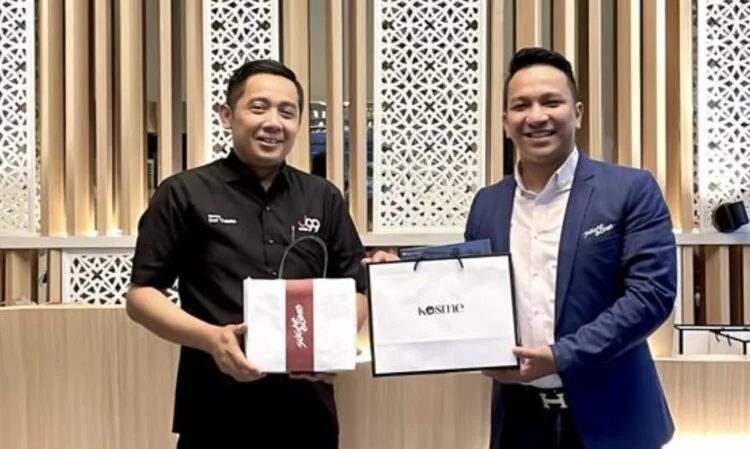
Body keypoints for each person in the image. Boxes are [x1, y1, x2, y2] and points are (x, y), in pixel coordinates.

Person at [366, 47, 677, 449]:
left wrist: (561, 355)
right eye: (521, 105)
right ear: (505, 122)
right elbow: (470, 293)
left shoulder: (630, 190)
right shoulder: (487, 203)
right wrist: (404, 282)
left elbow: (651, 296)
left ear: (577, 113)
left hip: (614, 422)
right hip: (519, 422)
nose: (536, 116)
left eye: (551, 102)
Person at [126, 59, 368, 449]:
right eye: (259, 107)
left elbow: (355, 286)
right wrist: (211, 339)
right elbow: (141, 296)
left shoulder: (323, 197)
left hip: (308, 412)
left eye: (287, 112)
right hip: (214, 407)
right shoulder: (183, 193)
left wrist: (332, 342)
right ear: (227, 115)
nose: (274, 122)